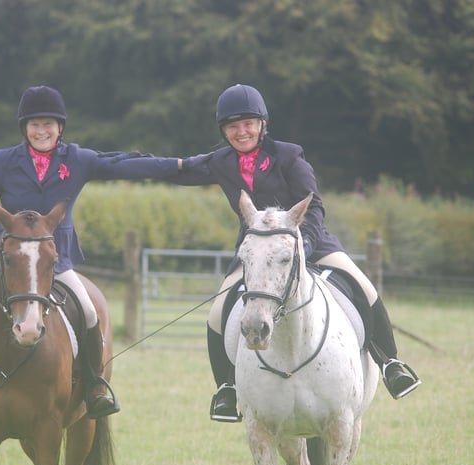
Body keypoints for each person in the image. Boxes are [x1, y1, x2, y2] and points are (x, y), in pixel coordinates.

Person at [0, 85, 203, 422]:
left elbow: (122, 165)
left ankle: (94, 387)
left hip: (53, 260)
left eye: (49, 124)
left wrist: (180, 165)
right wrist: (1, 236)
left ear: (60, 127)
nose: (41, 131)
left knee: (90, 313)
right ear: (24, 129)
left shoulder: (76, 159)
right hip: (2, 257)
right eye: (34, 124)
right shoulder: (5, 161)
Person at [175, 84, 422, 422]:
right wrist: (120, 163)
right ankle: (226, 389)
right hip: (257, 253)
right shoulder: (221, 162)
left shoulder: (289, 155)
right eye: (233, 126)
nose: (241, 131)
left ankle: (391, 363)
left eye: (248, 123)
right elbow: (177, 168)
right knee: (218, 313)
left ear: (262, 124)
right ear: (223, 130)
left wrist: (304, 243)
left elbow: (314, 206)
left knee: (365, 289)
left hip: (312, 245)